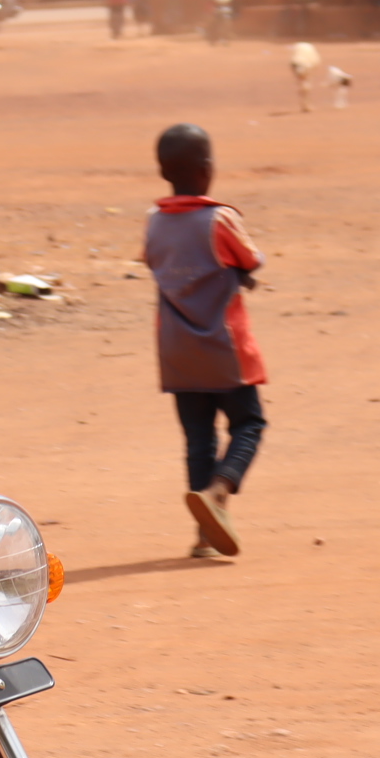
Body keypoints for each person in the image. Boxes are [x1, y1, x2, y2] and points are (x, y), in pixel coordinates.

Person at [142, 124, 267, 560]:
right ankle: (218, 493)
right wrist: (240, 273)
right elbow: (250, 260)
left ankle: (202, 535)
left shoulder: (155, 222)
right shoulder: (220, 218)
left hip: (177, 352)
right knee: (249, 425)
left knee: (198, 440)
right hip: (224, 349)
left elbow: (155, 262)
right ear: (208, 169)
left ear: (163, 171)